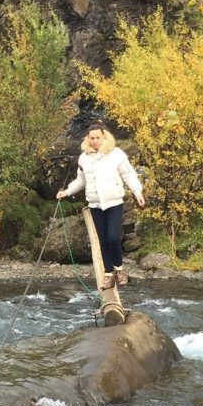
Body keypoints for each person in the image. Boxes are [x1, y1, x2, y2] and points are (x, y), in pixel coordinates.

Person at [56, 123, 145, 289]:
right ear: (88, 139)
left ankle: (119, 270)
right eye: (92, 138)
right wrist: (66, 192)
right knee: (103, 240)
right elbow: (81, 181)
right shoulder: (84, 158)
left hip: (114, 202)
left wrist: (137, 192)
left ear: (104, 137)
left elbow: (128, 174)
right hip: (95, 204)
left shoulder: (116, 154)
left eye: (98, 137)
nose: (95, 141)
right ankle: (108, 274)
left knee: (113, 237)